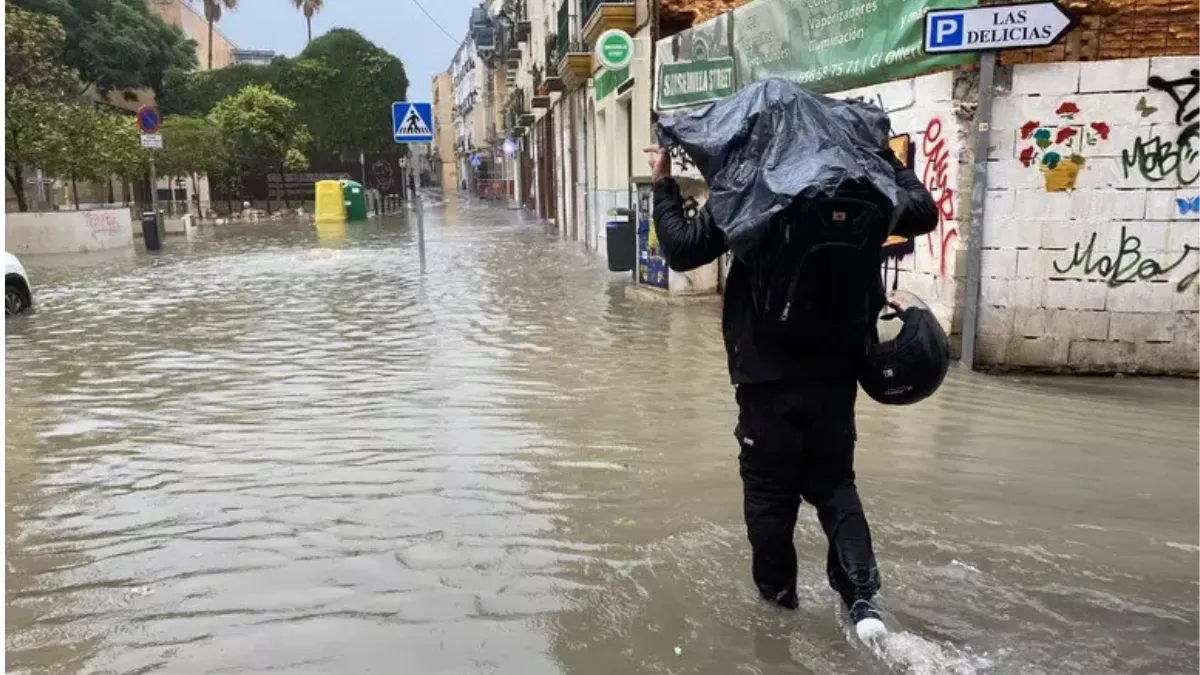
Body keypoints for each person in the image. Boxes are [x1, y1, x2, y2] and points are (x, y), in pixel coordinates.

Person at [644, 143, 937, 636]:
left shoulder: (750, 184)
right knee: (835, 485)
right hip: (836, 377)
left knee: (769, 500)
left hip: (766, 381)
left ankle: (778, 618)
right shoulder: (863, 185)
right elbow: (925, 213)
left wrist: (662, 183)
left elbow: (681, 250)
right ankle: (863, 601)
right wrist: (887, 158)